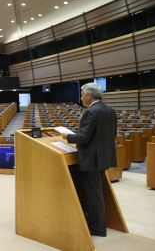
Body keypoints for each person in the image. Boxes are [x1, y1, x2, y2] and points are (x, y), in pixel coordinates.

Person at [60, 83, 117, 237]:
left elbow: (84, 137)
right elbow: (111, 134)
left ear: (89, 96)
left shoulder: (91, 112)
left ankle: (97, 229)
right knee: (96, 193)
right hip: (103, 157)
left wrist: (67, 136)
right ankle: (98, 225)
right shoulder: (109, 110)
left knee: (94, 195)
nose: (81, 97)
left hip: (92, 159)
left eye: (82, 94)